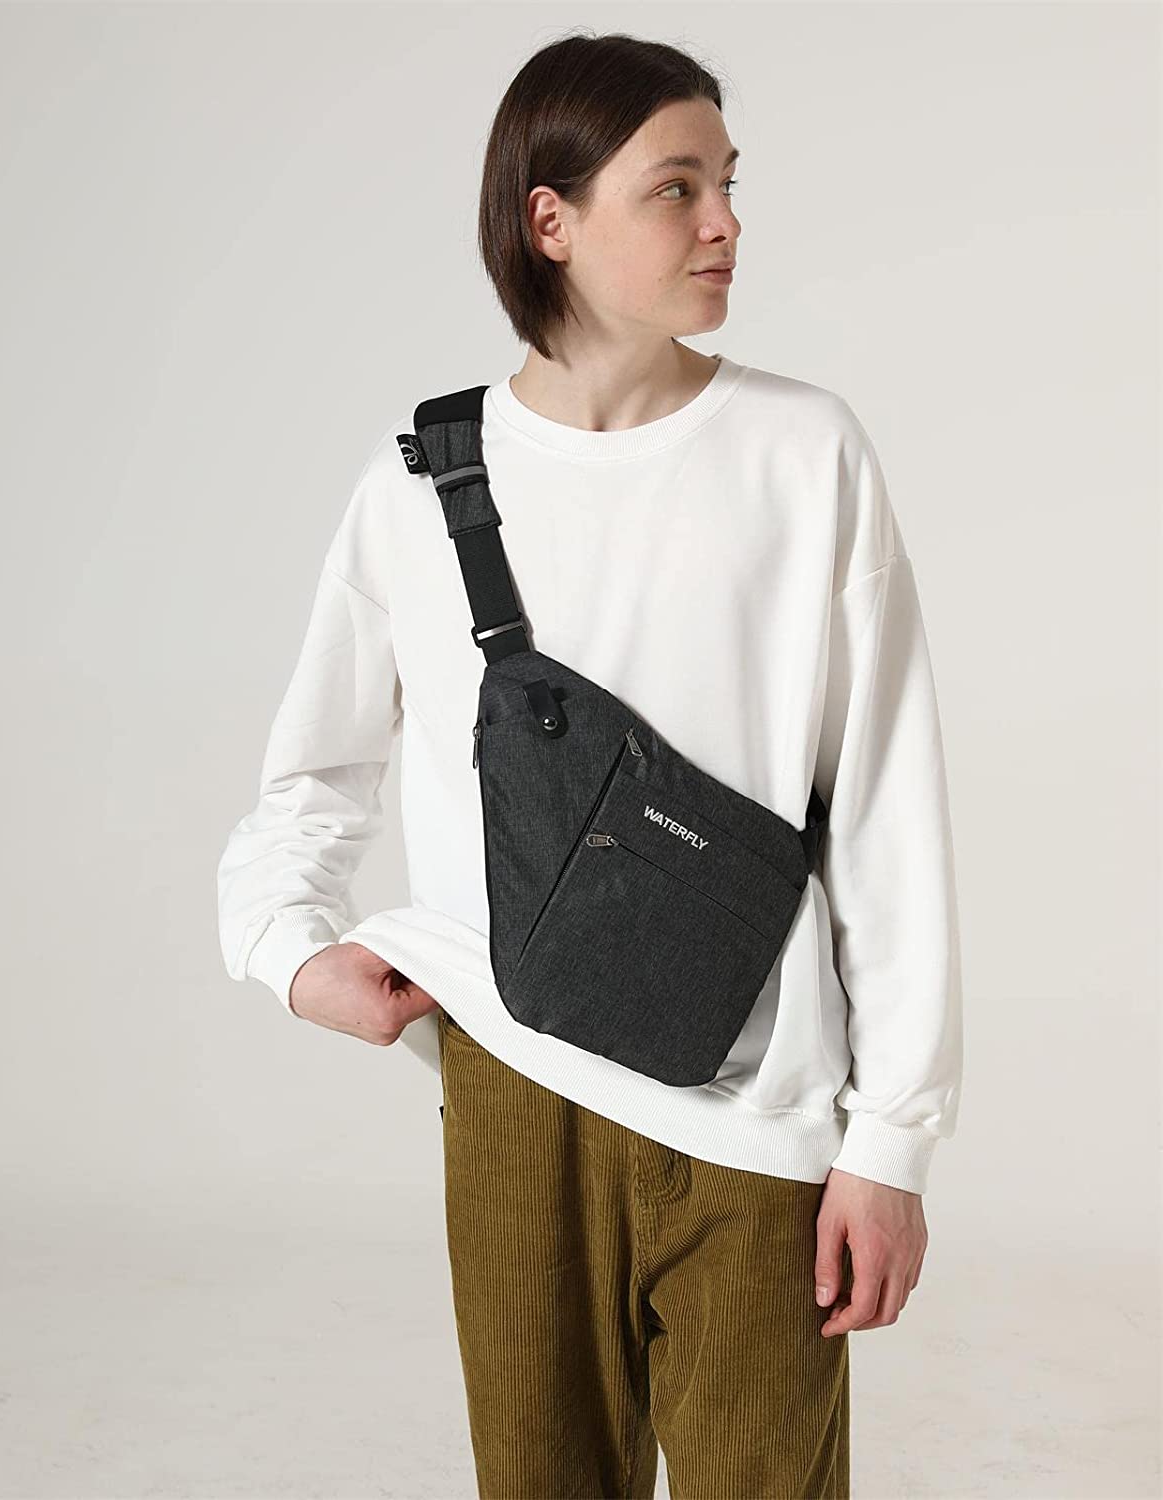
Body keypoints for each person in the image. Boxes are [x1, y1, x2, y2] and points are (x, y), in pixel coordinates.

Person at [216, 29, 963, 1500]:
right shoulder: (422, 484)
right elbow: (310, 779)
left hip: (758, 1116)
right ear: (549, 220)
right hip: (513, 1090)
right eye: (677, 187)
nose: (724, 222)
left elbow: (885, 813)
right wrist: (290, 951)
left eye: (730, 184)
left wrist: (892, 1145)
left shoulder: (804, 454)